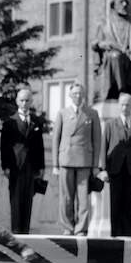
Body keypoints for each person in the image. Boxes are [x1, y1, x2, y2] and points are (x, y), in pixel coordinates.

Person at [51, 82, 102, 235]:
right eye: (75, 94)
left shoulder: (92, 113)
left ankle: (81, 228)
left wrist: (95, 165)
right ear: (70, 96)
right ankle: (67, 227)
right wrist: (55, 164)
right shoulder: (62, 113)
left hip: (84, 160)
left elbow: (97, 140)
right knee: (66, 197)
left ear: (84, 95)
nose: (78, 96)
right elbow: (56, 139)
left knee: (83, 199)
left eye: (80, 93)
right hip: (66, 159)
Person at [98, 92, 131, 237]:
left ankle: (130, 236)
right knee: (116, 204)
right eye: (122, 104)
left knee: (130, 204)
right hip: (115, 170)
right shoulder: (110, 124)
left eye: (127, 104)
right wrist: (103, 169)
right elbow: (104, 147)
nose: (124, 107)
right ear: (118, 106)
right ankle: (116, 236)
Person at [1, 87, 45, 233]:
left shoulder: (37, 122)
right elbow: (5, 146)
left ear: (31, 101)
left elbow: (40, 146)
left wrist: (41, 167)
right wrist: (5, 166)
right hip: (15, 166)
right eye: (22, 100)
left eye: (27, 100)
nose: (25, 103)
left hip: (31, 166)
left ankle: (26, 231)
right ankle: (16, 232)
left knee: (28, 199)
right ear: (17, 101)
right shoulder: (9, 122)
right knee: (15, 199)